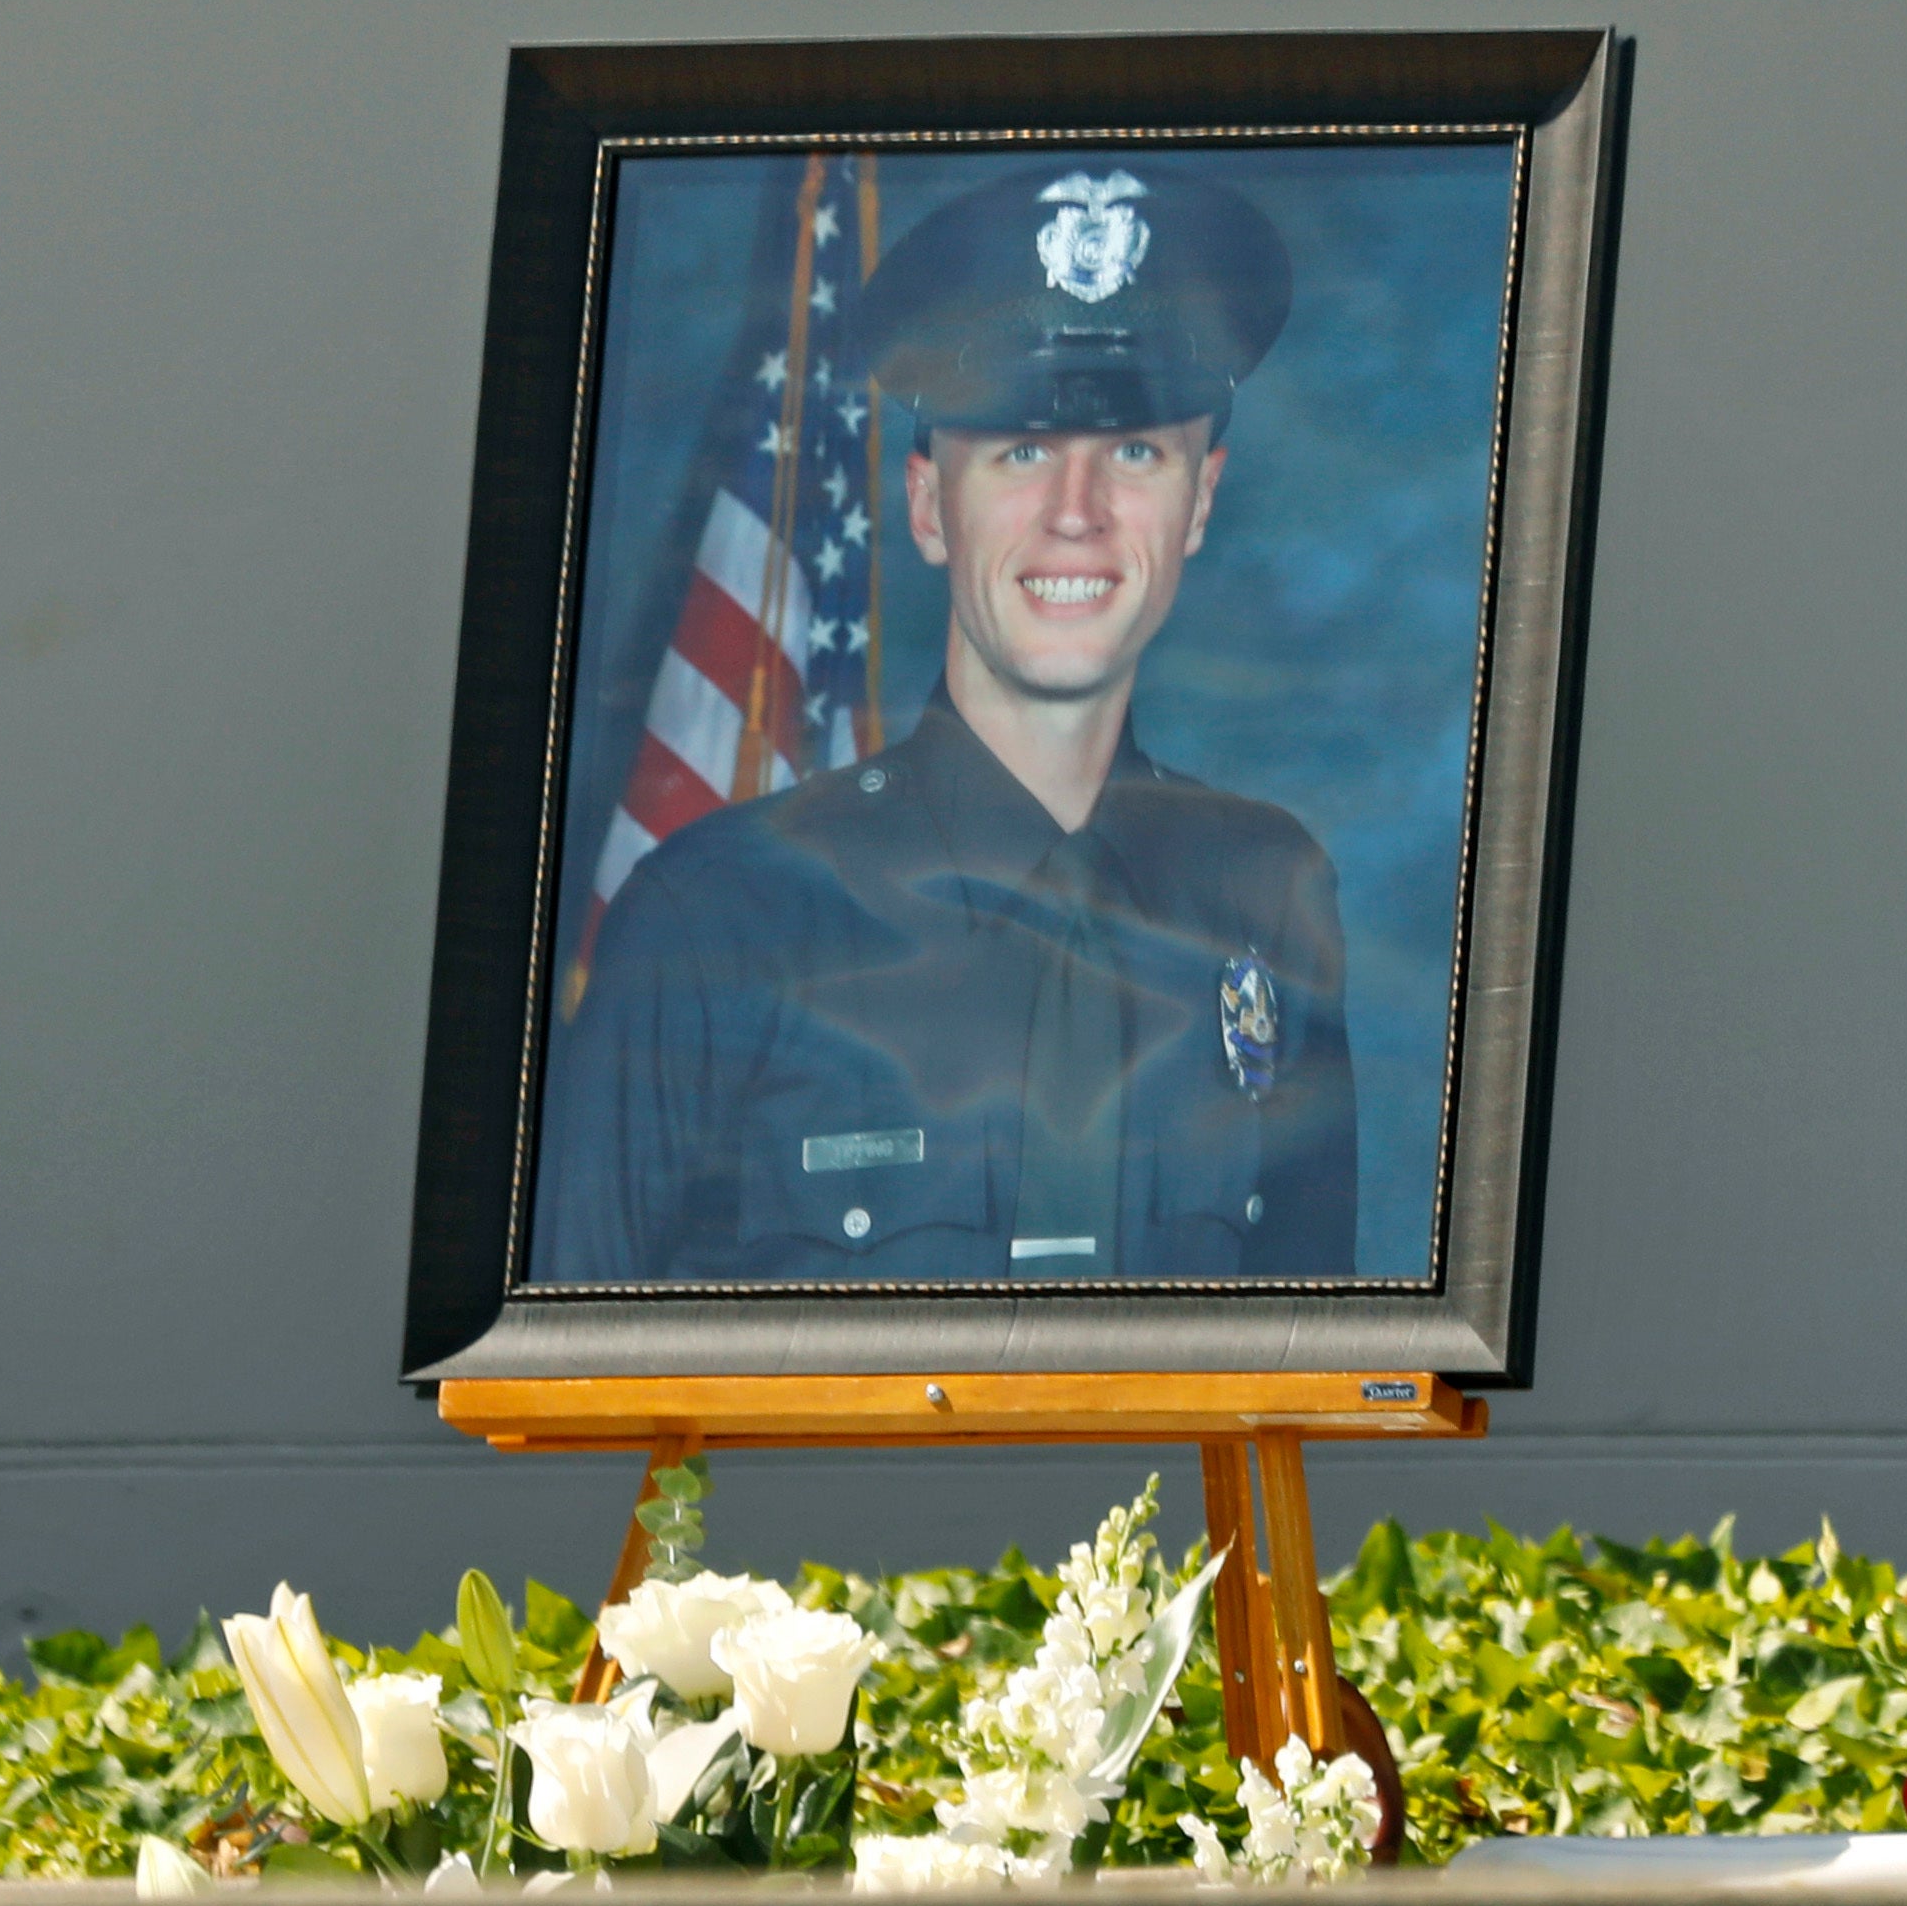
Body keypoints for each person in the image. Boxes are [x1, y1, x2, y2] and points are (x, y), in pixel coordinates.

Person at [527, 161, 1356, 1288]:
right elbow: (588, 1398)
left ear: (1198, 499)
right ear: (927, 505)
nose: (1077, 514)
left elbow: (1295, 1385)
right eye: (1020, 451)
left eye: (1133, 452)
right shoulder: (714, 917)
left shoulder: (1265, 895)